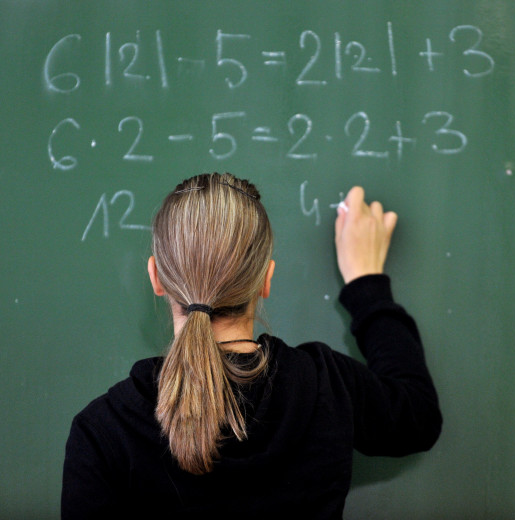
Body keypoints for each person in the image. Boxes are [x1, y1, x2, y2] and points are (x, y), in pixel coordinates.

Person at [61, 172, 442, 519]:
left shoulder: (102, 432)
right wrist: (366, 281)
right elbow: (417, 416)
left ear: (156, 277)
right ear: (265, 281)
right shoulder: (326, 386)